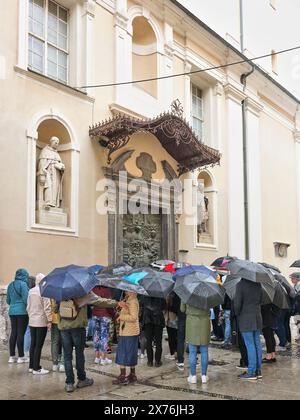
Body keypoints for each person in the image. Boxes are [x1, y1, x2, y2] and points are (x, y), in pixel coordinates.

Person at [58, 292, 117, 393]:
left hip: (63, 327)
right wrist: (116, 303)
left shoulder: (60, 291)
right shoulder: (82, 290)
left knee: (67, 356)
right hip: (78, 326)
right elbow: (99, 300)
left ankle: (69, 383)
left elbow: (55, 308)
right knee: (79, 354)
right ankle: (82, 379)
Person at [234, 279, 263, 381]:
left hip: (246, 319)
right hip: (257, 317)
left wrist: (237, 313)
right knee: (257, 344)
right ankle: (258, 370)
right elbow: (261, 300)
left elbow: (237, 304)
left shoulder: (240, 285)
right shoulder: (258, 284)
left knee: (250, 345)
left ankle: (251, 372)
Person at [27, 273, 52, 375]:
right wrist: (50, 320)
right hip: (41, 321)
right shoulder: (44, 291)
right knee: (38, 345)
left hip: (32, 321)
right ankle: (37, 368)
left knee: (33, 344)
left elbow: (28, 306)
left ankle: (31, 366)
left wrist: (31, 316)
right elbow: (47, 308)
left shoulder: (30, 291)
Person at [113, 292, 140, 385]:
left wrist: (121, 317)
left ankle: (123, 376)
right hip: (129, 331)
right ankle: (132, 374)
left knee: (122, 354)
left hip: (128, 332)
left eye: (127, 289)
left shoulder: (132, 301)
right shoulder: (129, 300)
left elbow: (133, 317)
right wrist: (122, 307)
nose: (125, 291)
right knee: (131, 353)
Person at [181, 302, 210, 384]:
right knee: (204, 351)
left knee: (192, 352)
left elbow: (182, 309)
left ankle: (193, 376)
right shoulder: (207, 291)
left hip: (191, 323)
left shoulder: (186, 292)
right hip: (204, 322)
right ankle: (204, 376)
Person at [6, 269, 30, 364]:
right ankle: (21, 357)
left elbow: (8, 300)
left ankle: (11, 357)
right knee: (21, 333)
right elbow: (26, 299)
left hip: (12, 312)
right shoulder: (23, 285)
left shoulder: (10, 285)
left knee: (13, 333)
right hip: (22, 312)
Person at [92, 286, 115, 366]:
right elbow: (109, 304)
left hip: (95, 314)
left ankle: (97, 357)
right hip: (105, 315)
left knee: (96, 336)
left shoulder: (93, 289)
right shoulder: (107, 290)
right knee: (104, 336)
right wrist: (113, 314)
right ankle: (103, 358)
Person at [143, 296, 166, 368]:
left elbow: (142, 304)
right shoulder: (160, 295)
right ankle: (157, 361)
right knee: (158, 341)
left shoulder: (145, 294)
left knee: (148, 341)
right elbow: (164, 306)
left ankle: (150, 361)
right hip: (158, 319)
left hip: (147, 320)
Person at [24, 275, 36, 357]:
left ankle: (25, 351)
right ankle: (27, 351)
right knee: (30, 332)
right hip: (34, 315)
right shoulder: (34, 291)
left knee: (27, 332)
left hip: (28, 313)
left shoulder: (27, 291)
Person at [51, 300, 64, 372]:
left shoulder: (52, 291)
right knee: (65, 342)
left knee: (54, 342)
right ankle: (62, 364)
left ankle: (55, 364)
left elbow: (53, 308)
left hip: (54, 319)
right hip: (64, 319)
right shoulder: (65, 292)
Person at [164, 294, 178, 361]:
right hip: (177, 319)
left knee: (171, 337)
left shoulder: (169, 295)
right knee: (175, 336)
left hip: (170, 318)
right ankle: (176, 352)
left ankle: (172, 354)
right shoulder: (179, 295)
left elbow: (166, 307)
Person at [290, 273, 300, 344]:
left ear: (297, 278)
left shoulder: (299, 285)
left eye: (292, 278)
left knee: (298, 322)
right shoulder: (296, 285)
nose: (291, 279)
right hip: (297, 307)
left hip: (298, 307)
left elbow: (297, 296)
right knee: (298, 322)